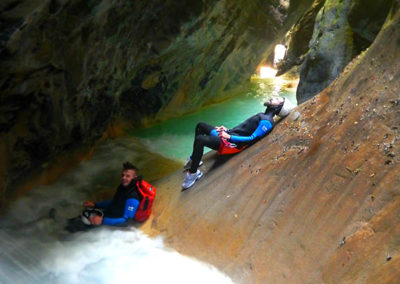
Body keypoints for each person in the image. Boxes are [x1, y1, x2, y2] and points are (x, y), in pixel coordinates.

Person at [182, 96, 295, 190]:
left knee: (201, 139)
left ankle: (192, 174)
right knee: (200, 126)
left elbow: (251, 138)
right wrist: (228, 130)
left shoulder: (267, 122)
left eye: (276, 99)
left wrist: (229, 136)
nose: (272, 98)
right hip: (229, 135)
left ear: (278, 107)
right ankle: (194, 160)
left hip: (232, 144)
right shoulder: (262, 115)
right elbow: (243, 128)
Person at [82, 162, 143, 226]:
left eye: (127, 176)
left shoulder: (133, 197)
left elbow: (127, 222)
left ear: (134, 178)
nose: (123, 178)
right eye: (122, 175)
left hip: (113, 223)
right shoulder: (123, 187)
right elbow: (115, 201)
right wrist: (95, 205)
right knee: (85, 214)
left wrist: (102, 221)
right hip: (110, 214)